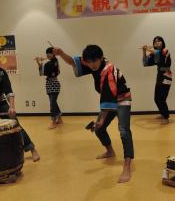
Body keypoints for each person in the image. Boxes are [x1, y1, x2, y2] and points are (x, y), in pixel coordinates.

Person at [54, 45, 134, 183]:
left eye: (93, 62)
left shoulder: (108, 70)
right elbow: (74, 62)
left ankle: (127, 165)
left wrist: (101, 119)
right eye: (88, 62)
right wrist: (61, 54)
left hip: (122, 99)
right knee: (99, 128)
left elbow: (108, 98)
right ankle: (110, 151)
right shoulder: (92, 63)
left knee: (124, 130)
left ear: (100, 58)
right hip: (109, 99)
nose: (91, 65)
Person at [142, 36, 172, 124]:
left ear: (162, 42)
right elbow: (145, 63)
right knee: (156, 98)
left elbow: (158, 53)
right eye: (155, 42)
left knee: (161, 99)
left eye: (159, 41)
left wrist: (149, 48)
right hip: (160, 77)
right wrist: (144, 51)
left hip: (166, 76)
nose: (157, 42)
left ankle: (166, 117)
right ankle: (163, 113)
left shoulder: (165, 50)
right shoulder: (154, 54)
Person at [35, 47, 62, 129]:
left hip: (54, 84)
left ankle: (53, 121)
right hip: (50, 84)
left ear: (53, 54)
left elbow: (43, 71)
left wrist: (40, 62)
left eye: (49, 53)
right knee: (53, 102)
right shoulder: (54, 61)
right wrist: (39, 62)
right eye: (47, 53)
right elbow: (43, 71)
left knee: (52, 103)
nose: (47, 55)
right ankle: (59, 118)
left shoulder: (52, 62)